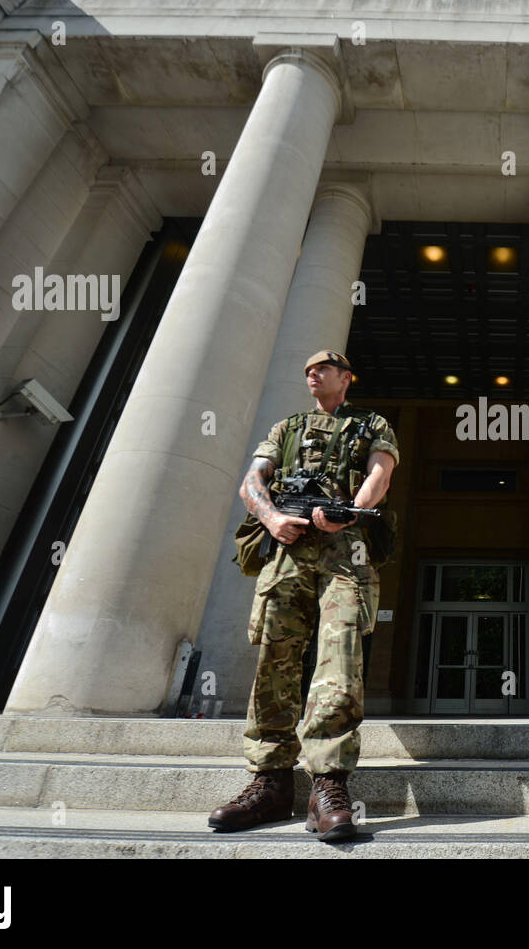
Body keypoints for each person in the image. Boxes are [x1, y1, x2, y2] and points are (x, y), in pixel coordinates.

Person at [208, 350, 399, 841]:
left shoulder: (371, 422)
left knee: (339, 659)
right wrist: (271, 517)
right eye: (308, 370)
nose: (312, 374)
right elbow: (253, 480)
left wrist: (350, 510)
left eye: (324, 368)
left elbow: (381, 472)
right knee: (275, 657)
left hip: (345, 552)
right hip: (288, 549)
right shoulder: (286, 427)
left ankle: (328, 785)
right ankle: (269, 782)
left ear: (345, 377)